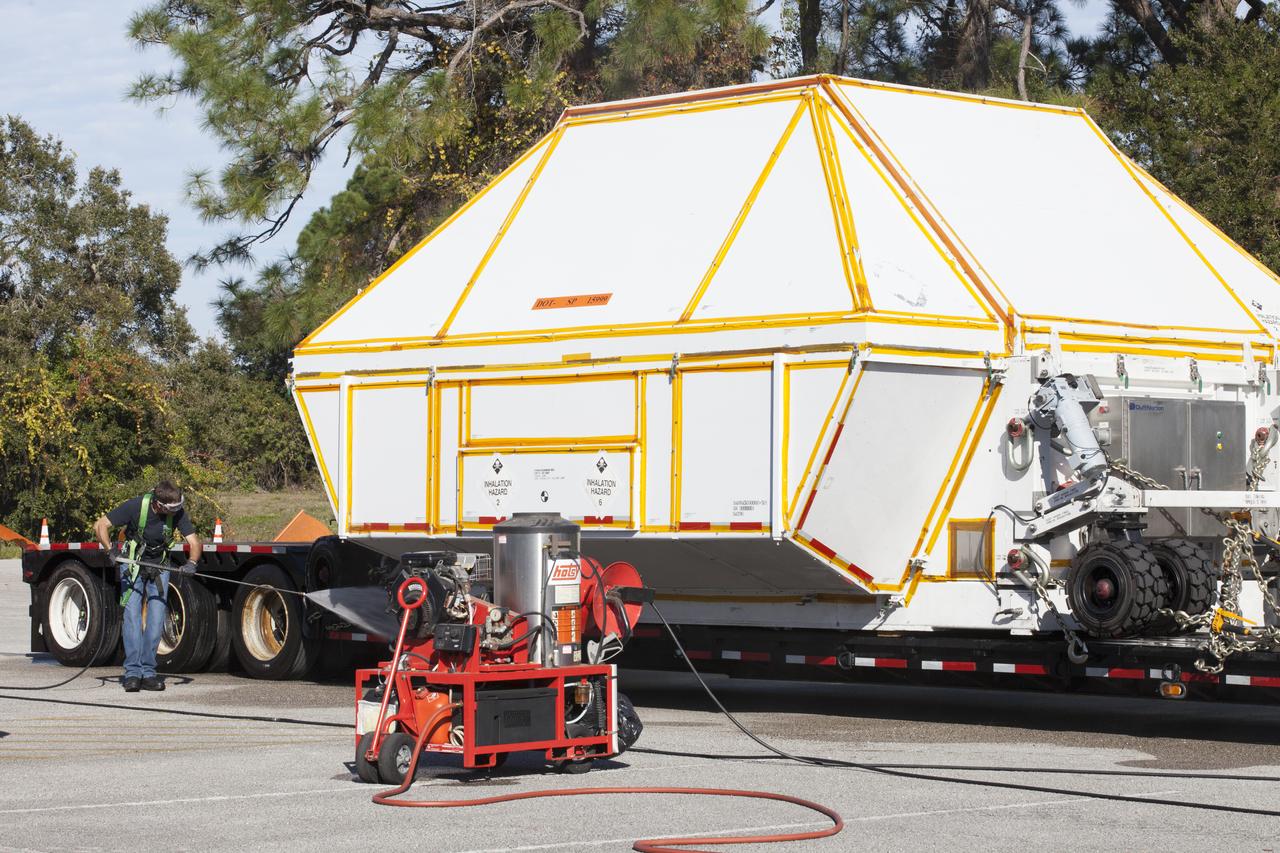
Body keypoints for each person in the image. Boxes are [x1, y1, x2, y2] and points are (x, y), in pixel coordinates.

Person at [93, 480, 202, 692]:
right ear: (158, 505)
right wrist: (109, 550)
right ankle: (132, 673)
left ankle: (149, 673)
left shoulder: (177, 512)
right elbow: (100, 525)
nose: (177, 512)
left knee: (156, 620)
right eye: (173, 509)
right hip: (133, 567)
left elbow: (195, 542)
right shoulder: (135, 506)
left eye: (179, 506)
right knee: (132, 619)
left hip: (160, 567)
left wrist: (192, 563)